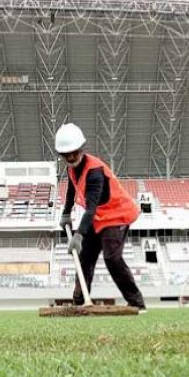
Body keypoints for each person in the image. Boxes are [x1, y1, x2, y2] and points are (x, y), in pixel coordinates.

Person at [56, 123, 146, 311]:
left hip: (116, 214)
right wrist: (66, 213)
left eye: (74, 152)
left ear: (81, 149)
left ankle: (137, 303)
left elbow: (90, 208)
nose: (71, 158)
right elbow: (71, 191)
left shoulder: (95, 171)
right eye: (66, 155)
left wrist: (79, 235)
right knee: (84, 257)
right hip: (98, 217)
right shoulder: (71, 169)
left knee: (112, 257)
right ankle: (80, 303)